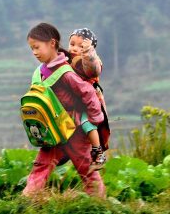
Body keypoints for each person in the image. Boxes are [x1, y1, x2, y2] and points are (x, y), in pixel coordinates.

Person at [22, 23, 105, 198]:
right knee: (42, 163)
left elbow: (88, 93)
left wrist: (94, 120)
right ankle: (29, 198)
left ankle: (99, 201)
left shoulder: (66, 72)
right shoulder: (41, 71)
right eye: (32, 49)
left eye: (37, 47)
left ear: (52, 43)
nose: (34, 52)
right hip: (54, 129)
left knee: (84, 165)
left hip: (74, 130)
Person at [68, 28, 109, 172]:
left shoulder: (92, 61)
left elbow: (92, 69)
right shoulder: (68, 59)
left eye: (80, 46)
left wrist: (87, 51)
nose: (75, 48)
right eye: (72, 44)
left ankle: (98, 152)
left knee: (87, 123)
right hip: (75, 103)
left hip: (89, 102)